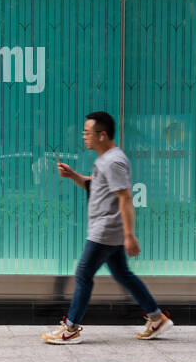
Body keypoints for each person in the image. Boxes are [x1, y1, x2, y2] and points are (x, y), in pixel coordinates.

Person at [44, 111, 172, 344]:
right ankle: (156, 318)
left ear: (102, 135)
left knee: (83, 274)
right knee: (123, 274)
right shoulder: (105, 160)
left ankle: (70, 328)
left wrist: (130, 235)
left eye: (87, 133)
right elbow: (96, 186)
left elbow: (125, 197)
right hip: (107, 229)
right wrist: (73, 175)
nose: (84, 136)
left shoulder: (113, 161)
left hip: (105, 229)